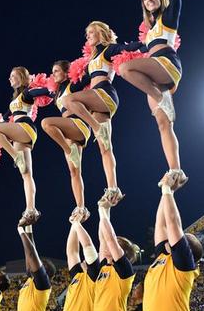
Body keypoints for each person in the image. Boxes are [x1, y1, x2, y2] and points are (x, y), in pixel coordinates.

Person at [118, 0, 189, 188]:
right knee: (163, 124)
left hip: (167, 64)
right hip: (154, 78)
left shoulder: (169, 17)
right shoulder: (147, 32)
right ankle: (175, 169)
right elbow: (126, 48)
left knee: (125, 69)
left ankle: (161, 98)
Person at [63, 21, 147, 205]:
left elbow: (129, 48)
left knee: (69, 101)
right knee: (105, 147)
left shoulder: (107, 50)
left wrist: (149, 42)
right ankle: (113, 187)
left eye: (92, 32)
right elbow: (76, 84)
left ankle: (95, 127)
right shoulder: (91, 60)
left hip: (104, 94)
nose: (88, 36)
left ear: (101, 33)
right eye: (87, 33)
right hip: (97, 102)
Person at [0, 67, 52, 226]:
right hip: (19, 133)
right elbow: (3, 118)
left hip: (24, 128)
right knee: (26, 174)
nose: (9, 79)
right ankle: (31, 208)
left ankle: (15, 157)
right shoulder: (15, 99)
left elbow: (47, 91)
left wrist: (56, 89)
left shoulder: (27, 93)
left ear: (22, 77)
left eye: (13, 76)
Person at [142, 176, 204, 311]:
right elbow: (161, 224)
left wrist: (167, 190)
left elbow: (172, 223)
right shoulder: (163, 258)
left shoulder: (183, 265)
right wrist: (167, 192)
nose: (172, 237)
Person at [41, 60, 93, 220]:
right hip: (69, 131)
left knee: (46, 123)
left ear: (66, 72)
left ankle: (69, 151)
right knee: (74, 171)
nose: (53, 74)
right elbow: (38, 93)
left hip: (79, 124)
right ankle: (81, 207)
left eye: (56, 71)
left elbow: (90, 74)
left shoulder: (73, 85)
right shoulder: (56, 92)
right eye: (53, 71)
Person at [92, 194, 140, 311]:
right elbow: (103, 238)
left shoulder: (124, 272)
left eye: (112, 246)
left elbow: (110, 238)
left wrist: (102, 210)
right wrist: (105, 209)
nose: (106, 246)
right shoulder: (105, 268)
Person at [61, 215, 100, 311]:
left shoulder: (95, 277)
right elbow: (72, 252)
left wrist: (77, 223)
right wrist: (73, 225)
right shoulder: (78, 277)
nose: (83, 260)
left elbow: (87, 246)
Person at [15, 225, 54, 311]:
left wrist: (20, 229)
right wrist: (28, 227)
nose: (36, 264)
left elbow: (32, 254)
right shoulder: (31, 280)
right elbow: (29, 253)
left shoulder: (43, 284)